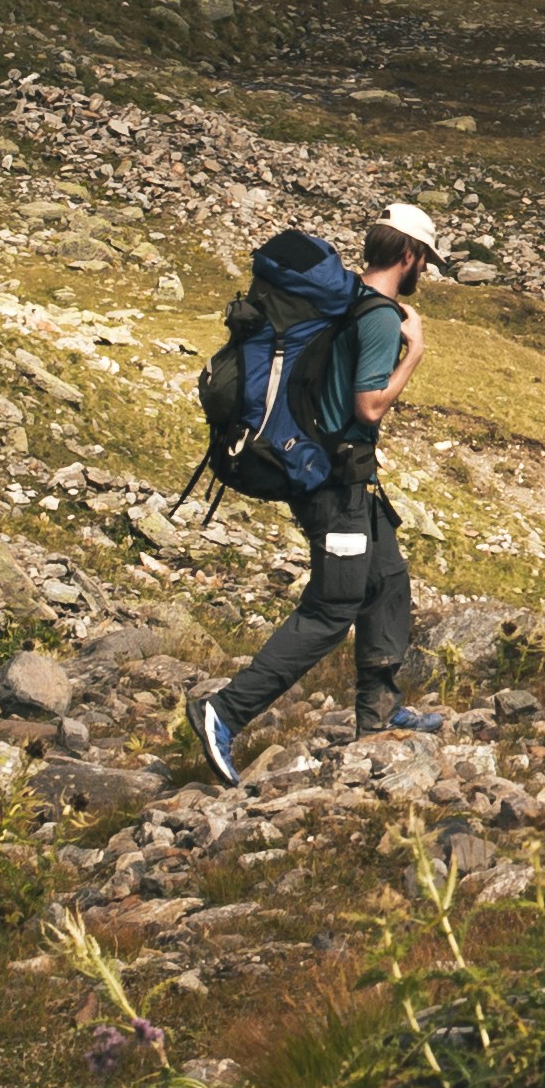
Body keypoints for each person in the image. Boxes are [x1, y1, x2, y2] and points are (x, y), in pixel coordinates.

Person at [194, 206, 444, 781]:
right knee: (333, 607)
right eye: (424, 260)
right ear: (408, 256)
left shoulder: (350, 297)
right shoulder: (380, 317)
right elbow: (369, 405)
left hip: (346, 479)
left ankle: (379, 714)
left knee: (387, 578)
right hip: (331, 484)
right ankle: (224, 712)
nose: (423, 271)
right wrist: (415, 354)